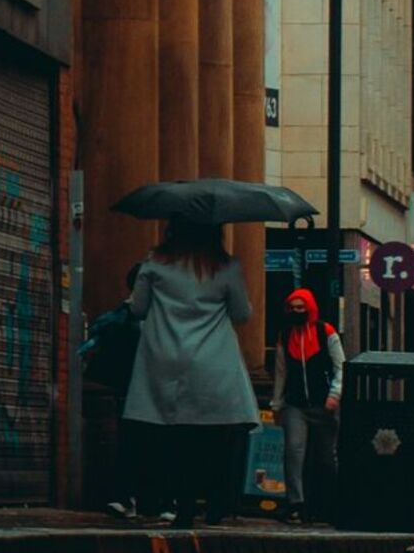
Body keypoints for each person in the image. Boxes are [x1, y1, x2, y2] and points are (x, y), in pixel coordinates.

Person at [125, 218, 257, 528]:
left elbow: (138, 308)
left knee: (174, 438)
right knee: (211, 438)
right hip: (213, 361)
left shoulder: (155, 263)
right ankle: (213, 504)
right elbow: (242, 313)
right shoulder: (225, 267)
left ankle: (182, 507)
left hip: (165, 358)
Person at [86, 264, 167, 521]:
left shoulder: (163, 317)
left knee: (154, 446)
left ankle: (154, 501)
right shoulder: (125, 316)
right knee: (132, 444)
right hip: (133, 389)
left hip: (158, 391)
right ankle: (128, 498)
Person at [271, 288, 344, 525]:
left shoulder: (325, 332)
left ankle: (328, 504)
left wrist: (334, 394)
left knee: (326, 457)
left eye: (300, 308)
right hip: (296, 404)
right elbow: (281, 371)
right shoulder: (285, 335)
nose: (296, 312)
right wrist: (277, 403)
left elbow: (340, 366)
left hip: (324, 404)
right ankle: (296, 502)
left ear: (310, 308)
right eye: (292, 308)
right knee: (293, 451)